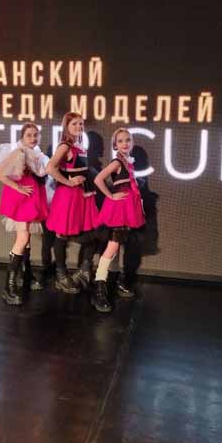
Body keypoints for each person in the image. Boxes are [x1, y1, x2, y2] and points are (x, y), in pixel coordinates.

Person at [0, 123, 49, 305]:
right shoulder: (19, 152)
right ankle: (8, 287)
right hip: (20, 199)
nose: (33, 138)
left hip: (31, 197)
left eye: (35, 135)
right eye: (29, 135)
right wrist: (17, 187)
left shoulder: (34, 153)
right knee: (23, 238)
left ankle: (26, 275)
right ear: (22, 137)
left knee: (26, 237)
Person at [92, 128, 145, 312]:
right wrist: (111, 196)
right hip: (119, 210)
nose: (125, 143)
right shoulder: (117, 162)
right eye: (120, 141)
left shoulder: (127, 162)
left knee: (117, 246)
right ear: (115, 145)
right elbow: (98, 179)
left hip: (127, 209)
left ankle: (111, 281)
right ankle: (99, 288)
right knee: (113, 247)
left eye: (127, 140)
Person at [45, 112, 98, 293]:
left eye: (81, 124)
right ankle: (61, 276)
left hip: (83, 195)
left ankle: (84, 270)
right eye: (74, 123)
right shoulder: (65, 146)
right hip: (68, 197)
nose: (78, 127)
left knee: (92, 233)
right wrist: (68, 182)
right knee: (62, 234)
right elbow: (50, 168)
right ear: (66, 126)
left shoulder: (79, 146)